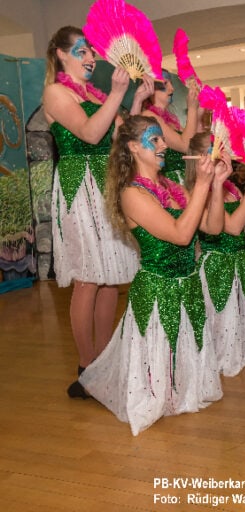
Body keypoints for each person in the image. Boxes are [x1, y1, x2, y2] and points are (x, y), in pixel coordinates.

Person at [79, 116, 232, 435]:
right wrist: (201, 185)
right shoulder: (132, 194)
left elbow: (213, 227)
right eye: (155, 140)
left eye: (162, 139)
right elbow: (181, 235)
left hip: (188, 286)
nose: (164, 145)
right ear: (134, 147)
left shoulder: (173, 188)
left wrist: (216, 185)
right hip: (157, 290)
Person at [42, 26, 153, 399]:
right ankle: (86, 368)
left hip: (106, 187)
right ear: (61, 54)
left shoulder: (95, 94)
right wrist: (118, 94)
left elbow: (121, 137)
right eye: (82, 50)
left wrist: (136, 101)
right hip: (79, 189)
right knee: (88, 278)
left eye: (91, 51)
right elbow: (90, 133)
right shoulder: (56, 93)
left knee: (110, 279)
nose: (90, 57)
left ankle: (105, 360)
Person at [185, 132, 245, 377]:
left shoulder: (230, 188)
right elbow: (232, 228)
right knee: (220, 320)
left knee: (238, 316)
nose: (228, 155)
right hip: (217, 265)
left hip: (240, 260)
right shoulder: (199, 191)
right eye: (221, 151)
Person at [142, 69, 199, 184]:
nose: (172, 89)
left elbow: (194, 144)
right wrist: (192, 109)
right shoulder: (149, 116)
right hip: (171, 181)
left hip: (184, 179)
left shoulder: (171, 120)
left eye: (171, 84)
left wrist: (199, 111)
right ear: (151, 88)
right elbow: (186, 146)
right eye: (165, 83)